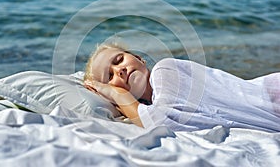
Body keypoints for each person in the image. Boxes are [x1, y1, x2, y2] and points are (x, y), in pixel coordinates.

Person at [84, 43, 280, 132]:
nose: (120, 70)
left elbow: (162, 120)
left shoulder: (166, 69)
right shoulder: (151, 106)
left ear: (139, 58)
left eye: (119, 60)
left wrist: (117, 94)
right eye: (109, 76)